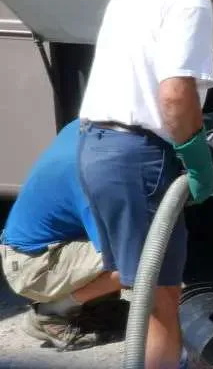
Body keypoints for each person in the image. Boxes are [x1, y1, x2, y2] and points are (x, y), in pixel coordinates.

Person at [77, 0, 213, 369]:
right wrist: (197, 160)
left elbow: (142, 80)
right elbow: (174, 92)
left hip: (98, 145)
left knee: (144, 289)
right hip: (137, 157)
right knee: (160, 297)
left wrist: (198, 116)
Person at [0, 118, 122, 350]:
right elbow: (118, 250)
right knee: (136, 256)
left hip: (33, 250)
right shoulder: (93, 174)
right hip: (33, 265)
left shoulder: (85, 125)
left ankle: (92, 306)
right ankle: (52, 312)